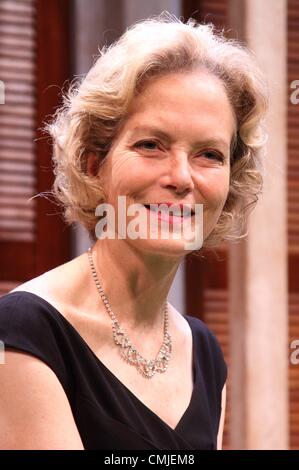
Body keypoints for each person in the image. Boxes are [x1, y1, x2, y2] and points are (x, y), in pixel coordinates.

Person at [0, 13, 268, 450]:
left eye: (209, 154)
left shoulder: (203, 353)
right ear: (93, 163)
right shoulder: (20, 334)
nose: (182, 177)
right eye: (151, 145)